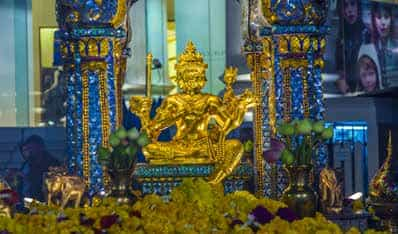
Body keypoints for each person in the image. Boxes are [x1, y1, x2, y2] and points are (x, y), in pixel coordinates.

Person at [335, 0, 370, 94]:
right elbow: (338, 65)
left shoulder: (366, 34)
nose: (349, 10)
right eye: (345, 6)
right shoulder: (340, 35)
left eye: (353, 4)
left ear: (358, 7)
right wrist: (340, 79)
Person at [19, 135, 60, 201]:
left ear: (40, 147)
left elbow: (51, 185)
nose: (30, 151)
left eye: (32, 148)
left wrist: (29, 177)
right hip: (26, 200)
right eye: (28, 148)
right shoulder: (28, 162)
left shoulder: (52, 163)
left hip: (42, 201)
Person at [371, 2, 398, 88]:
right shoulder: (369, 48)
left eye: (386, 17)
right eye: (379, 17)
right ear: (374, 20)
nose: (383, 22)